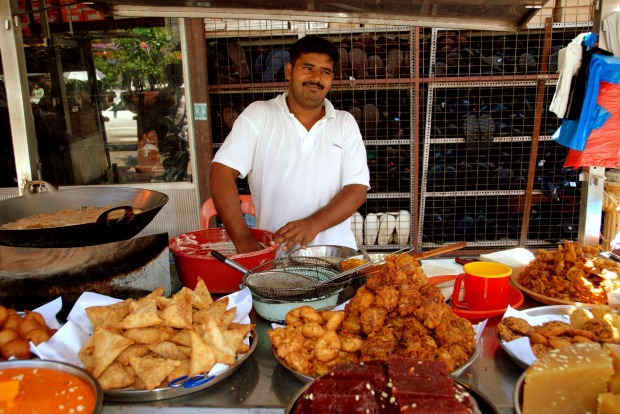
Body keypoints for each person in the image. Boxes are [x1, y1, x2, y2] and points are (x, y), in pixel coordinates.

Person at [209, 35, 370, 254]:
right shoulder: (259, 115)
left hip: (336, 257)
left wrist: (313, 224)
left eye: (325, 71)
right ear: (289, 70)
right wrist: (243, 239)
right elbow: (220, 174)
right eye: (308, 68)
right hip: (276, 258)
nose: (316, 78)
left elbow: (357, 188)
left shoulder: (344, 123)